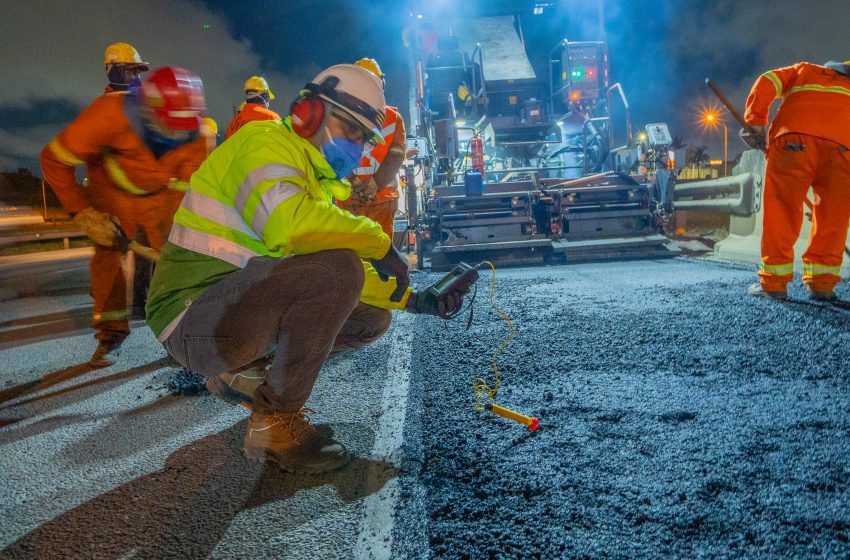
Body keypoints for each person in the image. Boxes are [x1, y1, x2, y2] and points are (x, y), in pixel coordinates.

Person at [145, 64, 471, 474]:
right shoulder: (262, 142)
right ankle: (274, 425)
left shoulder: (311, 180)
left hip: (225, 314)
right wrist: (377, 240)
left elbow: (331, 274)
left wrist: (415, 300)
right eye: (351, 128)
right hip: (190, 320)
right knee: (337, 271)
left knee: (371, 319)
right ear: (310, 112)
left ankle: (242, 373)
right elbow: (290, 227)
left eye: (364, 138)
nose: (357, 146)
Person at [40, 66, 212, 367]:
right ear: (148, 110)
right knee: (108, 264)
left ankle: (183, 334)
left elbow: (186, 192)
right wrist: (84, 213)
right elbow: (54, 160)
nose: (175, 135)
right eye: (168, 128)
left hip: (160, 199)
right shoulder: (108, 115)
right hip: (111, 193)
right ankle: (111, 334)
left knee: (178, 262)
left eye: (181, 130)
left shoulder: (198, 137)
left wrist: (180, 240)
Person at [743, 60, 850, 302]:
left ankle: (774, 284)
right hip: (844, 148)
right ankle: (822, 285)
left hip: (794, 141)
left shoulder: (805, 71)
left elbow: (767, 81)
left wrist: (756, 121)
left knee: (782, 210)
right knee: (833, 217)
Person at [338, 58, 407, 237]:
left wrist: (354, 182)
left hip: (349, 196)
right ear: (382, 84)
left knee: (351, 250)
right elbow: (397, 156)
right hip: (382, 197)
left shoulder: (339, 115)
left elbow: (334, 152)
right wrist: (375, 184)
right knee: (380, 248)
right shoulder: (393, 117)